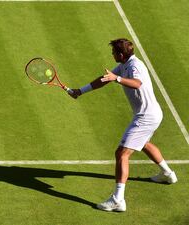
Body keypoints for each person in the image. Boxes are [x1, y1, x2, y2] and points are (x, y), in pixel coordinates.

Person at [68, 38, 177, 212]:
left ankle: (118, 200)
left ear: (120, 54)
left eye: (113, 53)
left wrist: (117, 78)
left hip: (146, 117)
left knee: (121, 153)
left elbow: (137, 83)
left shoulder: (135, 66)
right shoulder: (125, 64)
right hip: (152, 114)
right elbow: (104, 79)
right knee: (144, 144)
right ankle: (167, 174)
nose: (112, 55)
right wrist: (80, 91)